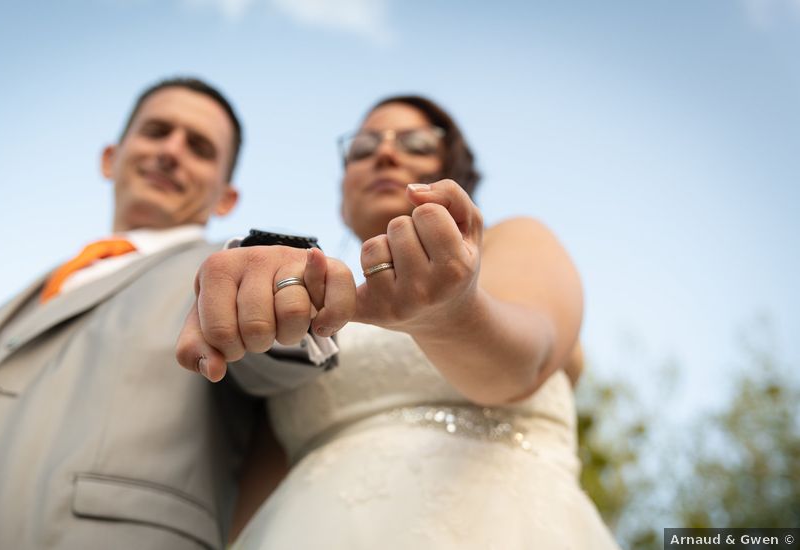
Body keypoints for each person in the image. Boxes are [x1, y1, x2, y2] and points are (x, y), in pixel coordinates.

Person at [0, 77, 353, 550]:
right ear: (110, 159)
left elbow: (279, 352)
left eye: (199, 148)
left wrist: (279, 287)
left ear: (226, 197)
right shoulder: (28, 291)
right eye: (157, 131)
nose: (171, 150)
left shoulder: (223, 268)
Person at [211, 95, 620, 548]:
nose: (385, 154)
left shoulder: (517, 242)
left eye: (416, 143)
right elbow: (257, 488)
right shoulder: (304, 306)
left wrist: (451, 314)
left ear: (453, 172)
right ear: (343, 192)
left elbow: (520, 366)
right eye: (362, 149)